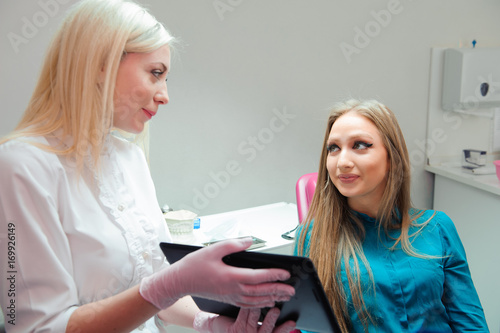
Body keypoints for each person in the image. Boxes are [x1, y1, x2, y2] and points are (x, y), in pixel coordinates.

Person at [0, 1, 297, 332]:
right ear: (101, 63)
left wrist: (209, 323)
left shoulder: (130, 158)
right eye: (156, 73)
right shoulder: (20, 167)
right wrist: (170, 284)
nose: (165, 95)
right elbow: (35, 326)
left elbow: (156, 287)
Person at [294, 99, 489, 332]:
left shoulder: (438, 228)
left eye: (360, 145)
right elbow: (313, 328)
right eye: (333, 148)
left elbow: (469, 321)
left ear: (392, 158)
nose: (342, 162)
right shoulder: (311, 238)